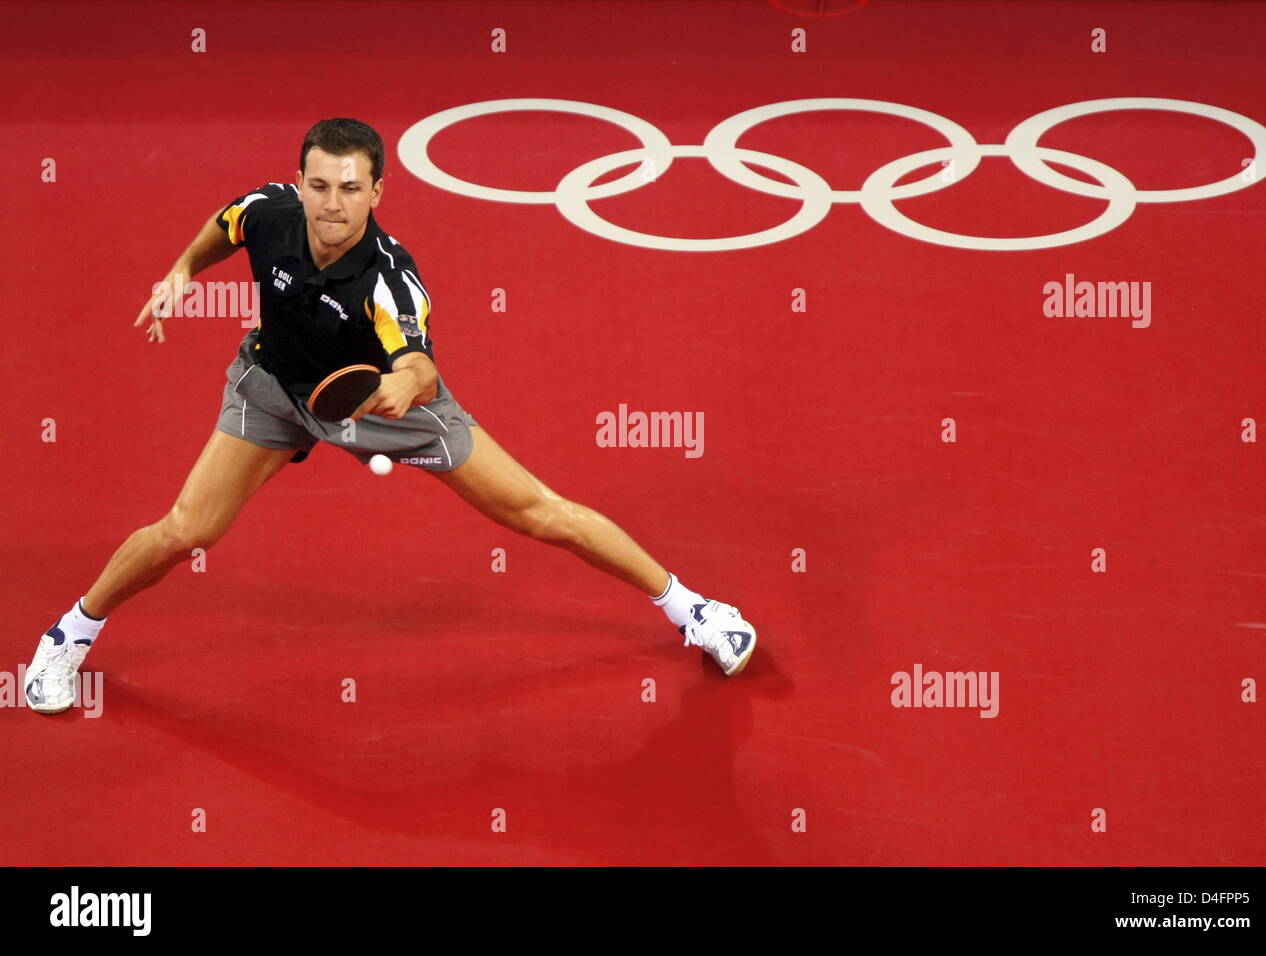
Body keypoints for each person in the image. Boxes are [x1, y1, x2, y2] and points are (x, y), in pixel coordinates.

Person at [24, 118, 756, 715]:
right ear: (302, 182)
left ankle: (693, 609)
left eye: (349, 188)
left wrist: (407, 384)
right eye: (319, 185)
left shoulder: (388, 280)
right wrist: (183, 269)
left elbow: (417, 357)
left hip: (380, 406)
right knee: (186, 530)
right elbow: (226, 225)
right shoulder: (273, 213)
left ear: (377, 190)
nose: (331, 204)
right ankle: (69, 633)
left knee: (539, 512)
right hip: (274, 387)